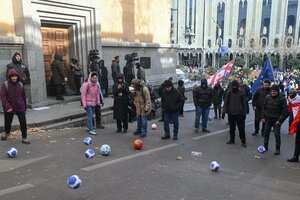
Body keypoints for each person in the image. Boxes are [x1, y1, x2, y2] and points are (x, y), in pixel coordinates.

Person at [1, 69, 30, 144]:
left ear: (17, 76)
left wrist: (25, 107)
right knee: (8, 122)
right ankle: (7, 133)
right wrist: (8, 107)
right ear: (9, 77)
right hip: (9, 107)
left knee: (23, 122)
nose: (14, 78)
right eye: (12, 77)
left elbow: (23, 96)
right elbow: (3, 98)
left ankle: (24, 137)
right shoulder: (5, 84)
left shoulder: (20, 84)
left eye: (15, 76)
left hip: (20, 106)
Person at [262, 85, 288, 155]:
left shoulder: (282, 99)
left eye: (274, 91)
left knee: (277, 134)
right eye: (271, 91)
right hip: (268, 118)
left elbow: (285, 111)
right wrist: (263, 117)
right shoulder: (267, 97)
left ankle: (277, 149)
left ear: (277, 91)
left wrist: (279, 120)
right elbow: (264, 108)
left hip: (277, 120)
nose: (272, 93)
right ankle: (265, 146)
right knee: (266, 132)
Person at [222, 80, 247, 147]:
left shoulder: (241, 93)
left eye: (235, 86)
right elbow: (226, 103)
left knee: (241, 128)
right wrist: (223, 112)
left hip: (240, 113)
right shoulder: (229, 93)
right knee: (231, 128)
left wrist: (244, 113)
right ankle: (232, 140)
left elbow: (244, 104)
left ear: (238, 86)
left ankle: (243, 141)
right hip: (231, 113)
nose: (234, 88)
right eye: (233, 86)